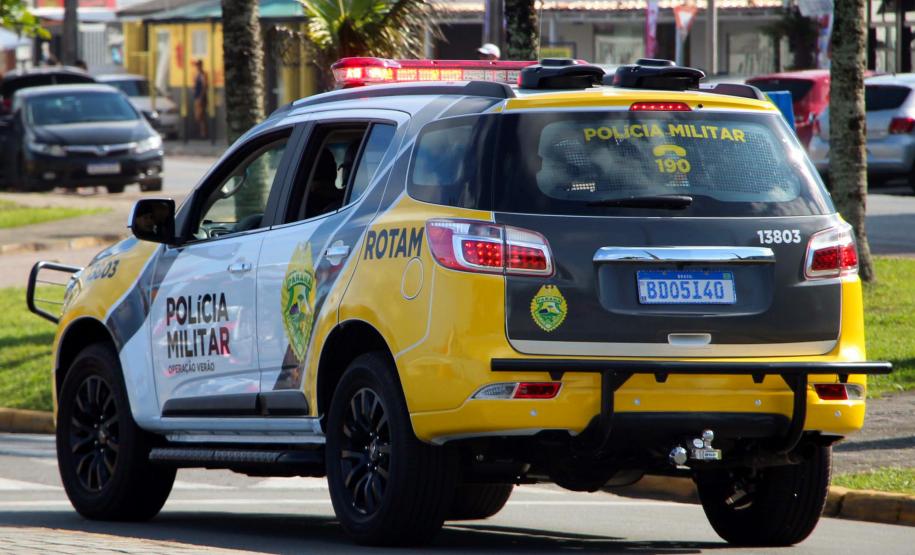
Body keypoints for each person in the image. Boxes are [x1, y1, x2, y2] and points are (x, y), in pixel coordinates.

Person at [193, 59, 208, 139]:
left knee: (200, 116)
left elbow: (204, 86)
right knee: (199, 117)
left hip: (200, 97)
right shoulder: (197, 74)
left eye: (198, 65)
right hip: (197, 96)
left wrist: (201, 97)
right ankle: (202, 133)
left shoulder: (203, 74)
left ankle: (203, 133)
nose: (197, 67)